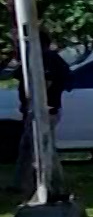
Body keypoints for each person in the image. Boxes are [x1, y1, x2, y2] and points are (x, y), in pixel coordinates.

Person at [13, 32, 69, 193]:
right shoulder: (35, 58)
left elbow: (46, 82)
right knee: (35, 147)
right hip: (40, 109)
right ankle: (26, 182)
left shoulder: (45, 58)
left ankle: (48, 183)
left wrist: (36, 104)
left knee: (39, 147)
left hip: (43, 110)